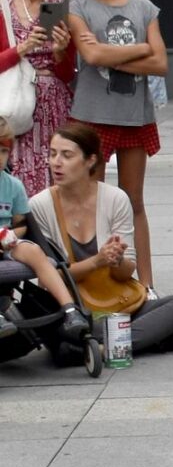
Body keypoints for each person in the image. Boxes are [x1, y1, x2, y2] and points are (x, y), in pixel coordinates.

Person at [26, 123, 173, 353]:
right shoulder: (40, 205)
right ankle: (145, 339)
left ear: (90, 160)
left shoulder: (115, 199)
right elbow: (49, 278)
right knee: (62, 335)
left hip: (119, 303)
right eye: (53, 154)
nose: (56, 162)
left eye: (67, 155)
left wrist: (117, 260)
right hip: (74, 310)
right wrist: (96, 261)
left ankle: (100, 348)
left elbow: (125, 273)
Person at [66, 0, 168, 292]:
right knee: (92, 202)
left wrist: (112, 55)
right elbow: (91, 56)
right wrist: (141, 48)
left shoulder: (144, 8)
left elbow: (160, 63)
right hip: (91, 116)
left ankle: (146, 284)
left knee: (133, 200)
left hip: (135, 115)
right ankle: (96, 285)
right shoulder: (78, 9)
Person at [0, 118, 91, 341]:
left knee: (34, 251)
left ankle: (70, 310)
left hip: (6, 240)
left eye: (3, 151)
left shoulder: (12, 186)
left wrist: (10, 235)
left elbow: (22, 223)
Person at [3, 0, 75, 196]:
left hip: (52, 105)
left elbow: (67, 74)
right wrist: (21, 49)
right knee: (15, 176)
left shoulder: (57, 6)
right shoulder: (3, 5)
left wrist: (60, 52)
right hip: (13, 101)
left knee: (56, 176)